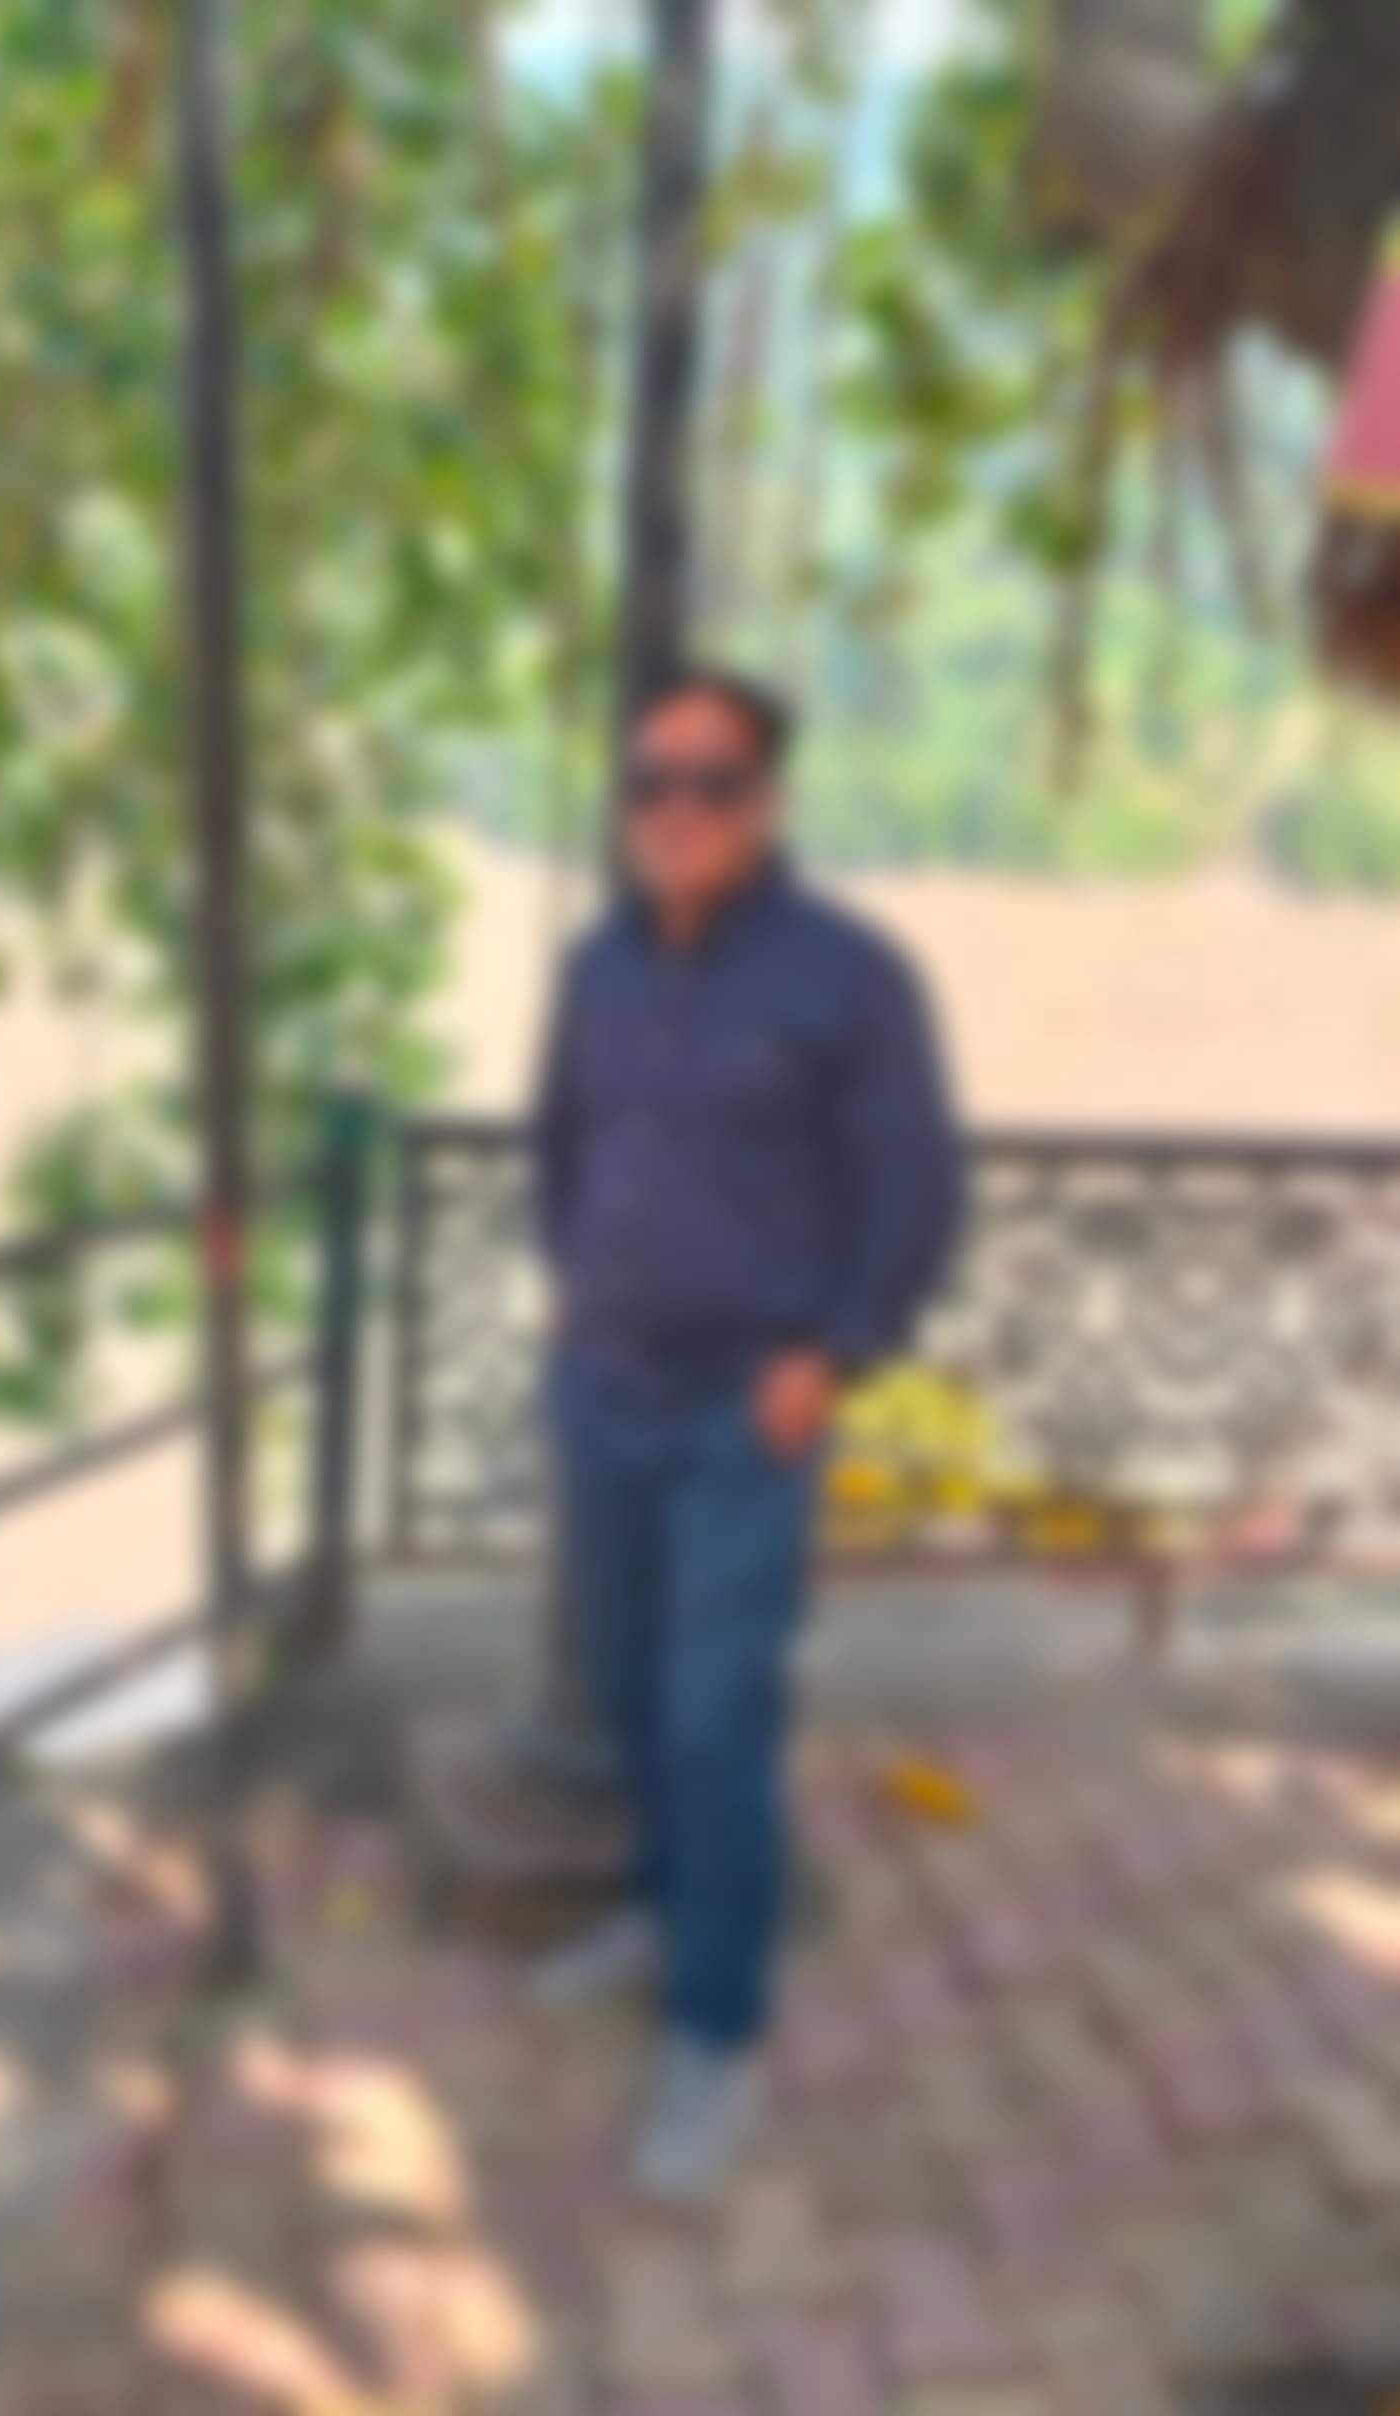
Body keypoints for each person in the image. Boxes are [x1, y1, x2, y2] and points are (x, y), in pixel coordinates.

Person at [532, 666, 961, 2201]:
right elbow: (558, 1151)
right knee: (632, 1687)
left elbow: (918, 1192)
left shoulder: (851, 977)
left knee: (719, 1714)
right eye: (651, 781)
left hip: (744, 1412)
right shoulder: (597, 967)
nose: (676, 810)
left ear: (767, 802)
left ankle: (714, 2027)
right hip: (604, 1390)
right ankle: (665, 1907)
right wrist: (577, 1291)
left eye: (711, 782)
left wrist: (832, 1354)